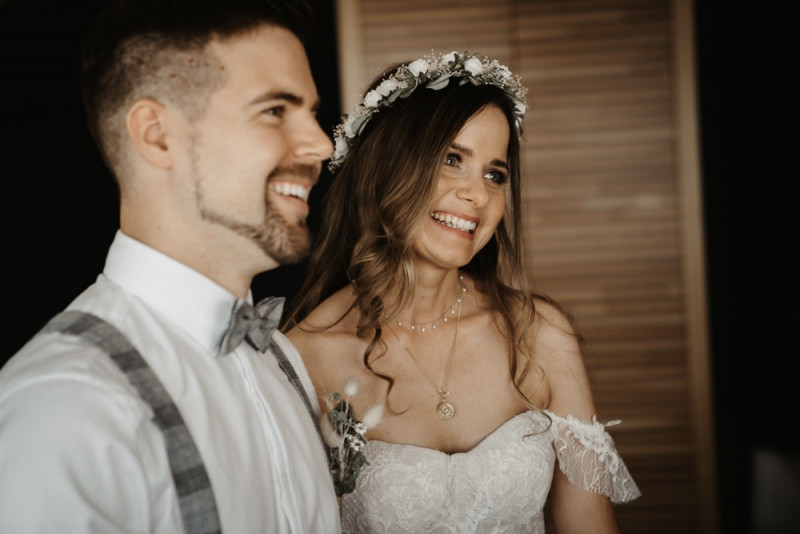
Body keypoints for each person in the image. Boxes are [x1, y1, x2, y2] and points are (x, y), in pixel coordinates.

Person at [0, 1, 340, 532]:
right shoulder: (63, 411)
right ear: (157, 134)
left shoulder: (280, 361)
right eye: (275, 110)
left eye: (312, 114)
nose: (322, 145)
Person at [285, 51, 641, 533]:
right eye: (453, 160)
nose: (478, 196)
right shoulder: (304, 359)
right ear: (389, 165)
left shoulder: (539, 334)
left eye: (495, 174)